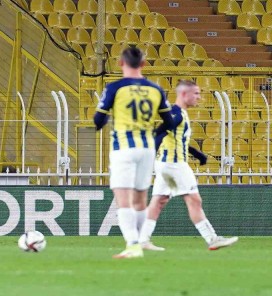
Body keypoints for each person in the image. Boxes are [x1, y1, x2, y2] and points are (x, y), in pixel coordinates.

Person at [93, 46, 175, 259]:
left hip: (123, 148)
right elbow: (169, 121)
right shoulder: (156, 89)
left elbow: (98, 121)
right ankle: (141, 242)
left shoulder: (115, 88)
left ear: (121, 63)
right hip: (147, 148)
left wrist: (108, 117)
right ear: (144, 64)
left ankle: (132, 245)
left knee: (123, 198)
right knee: (140, 198)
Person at [139, 80, 238, 251]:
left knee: (158, 201)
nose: (199, 98)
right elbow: (159, 133)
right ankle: (212, 238)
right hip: (174, 164)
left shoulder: (179, 113)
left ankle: (142, 240)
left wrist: (196, 153)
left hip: (165, 163)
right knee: (194, 199)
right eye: (196, 93)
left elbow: (173, 137)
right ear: (184, 94)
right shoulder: (176, 114)